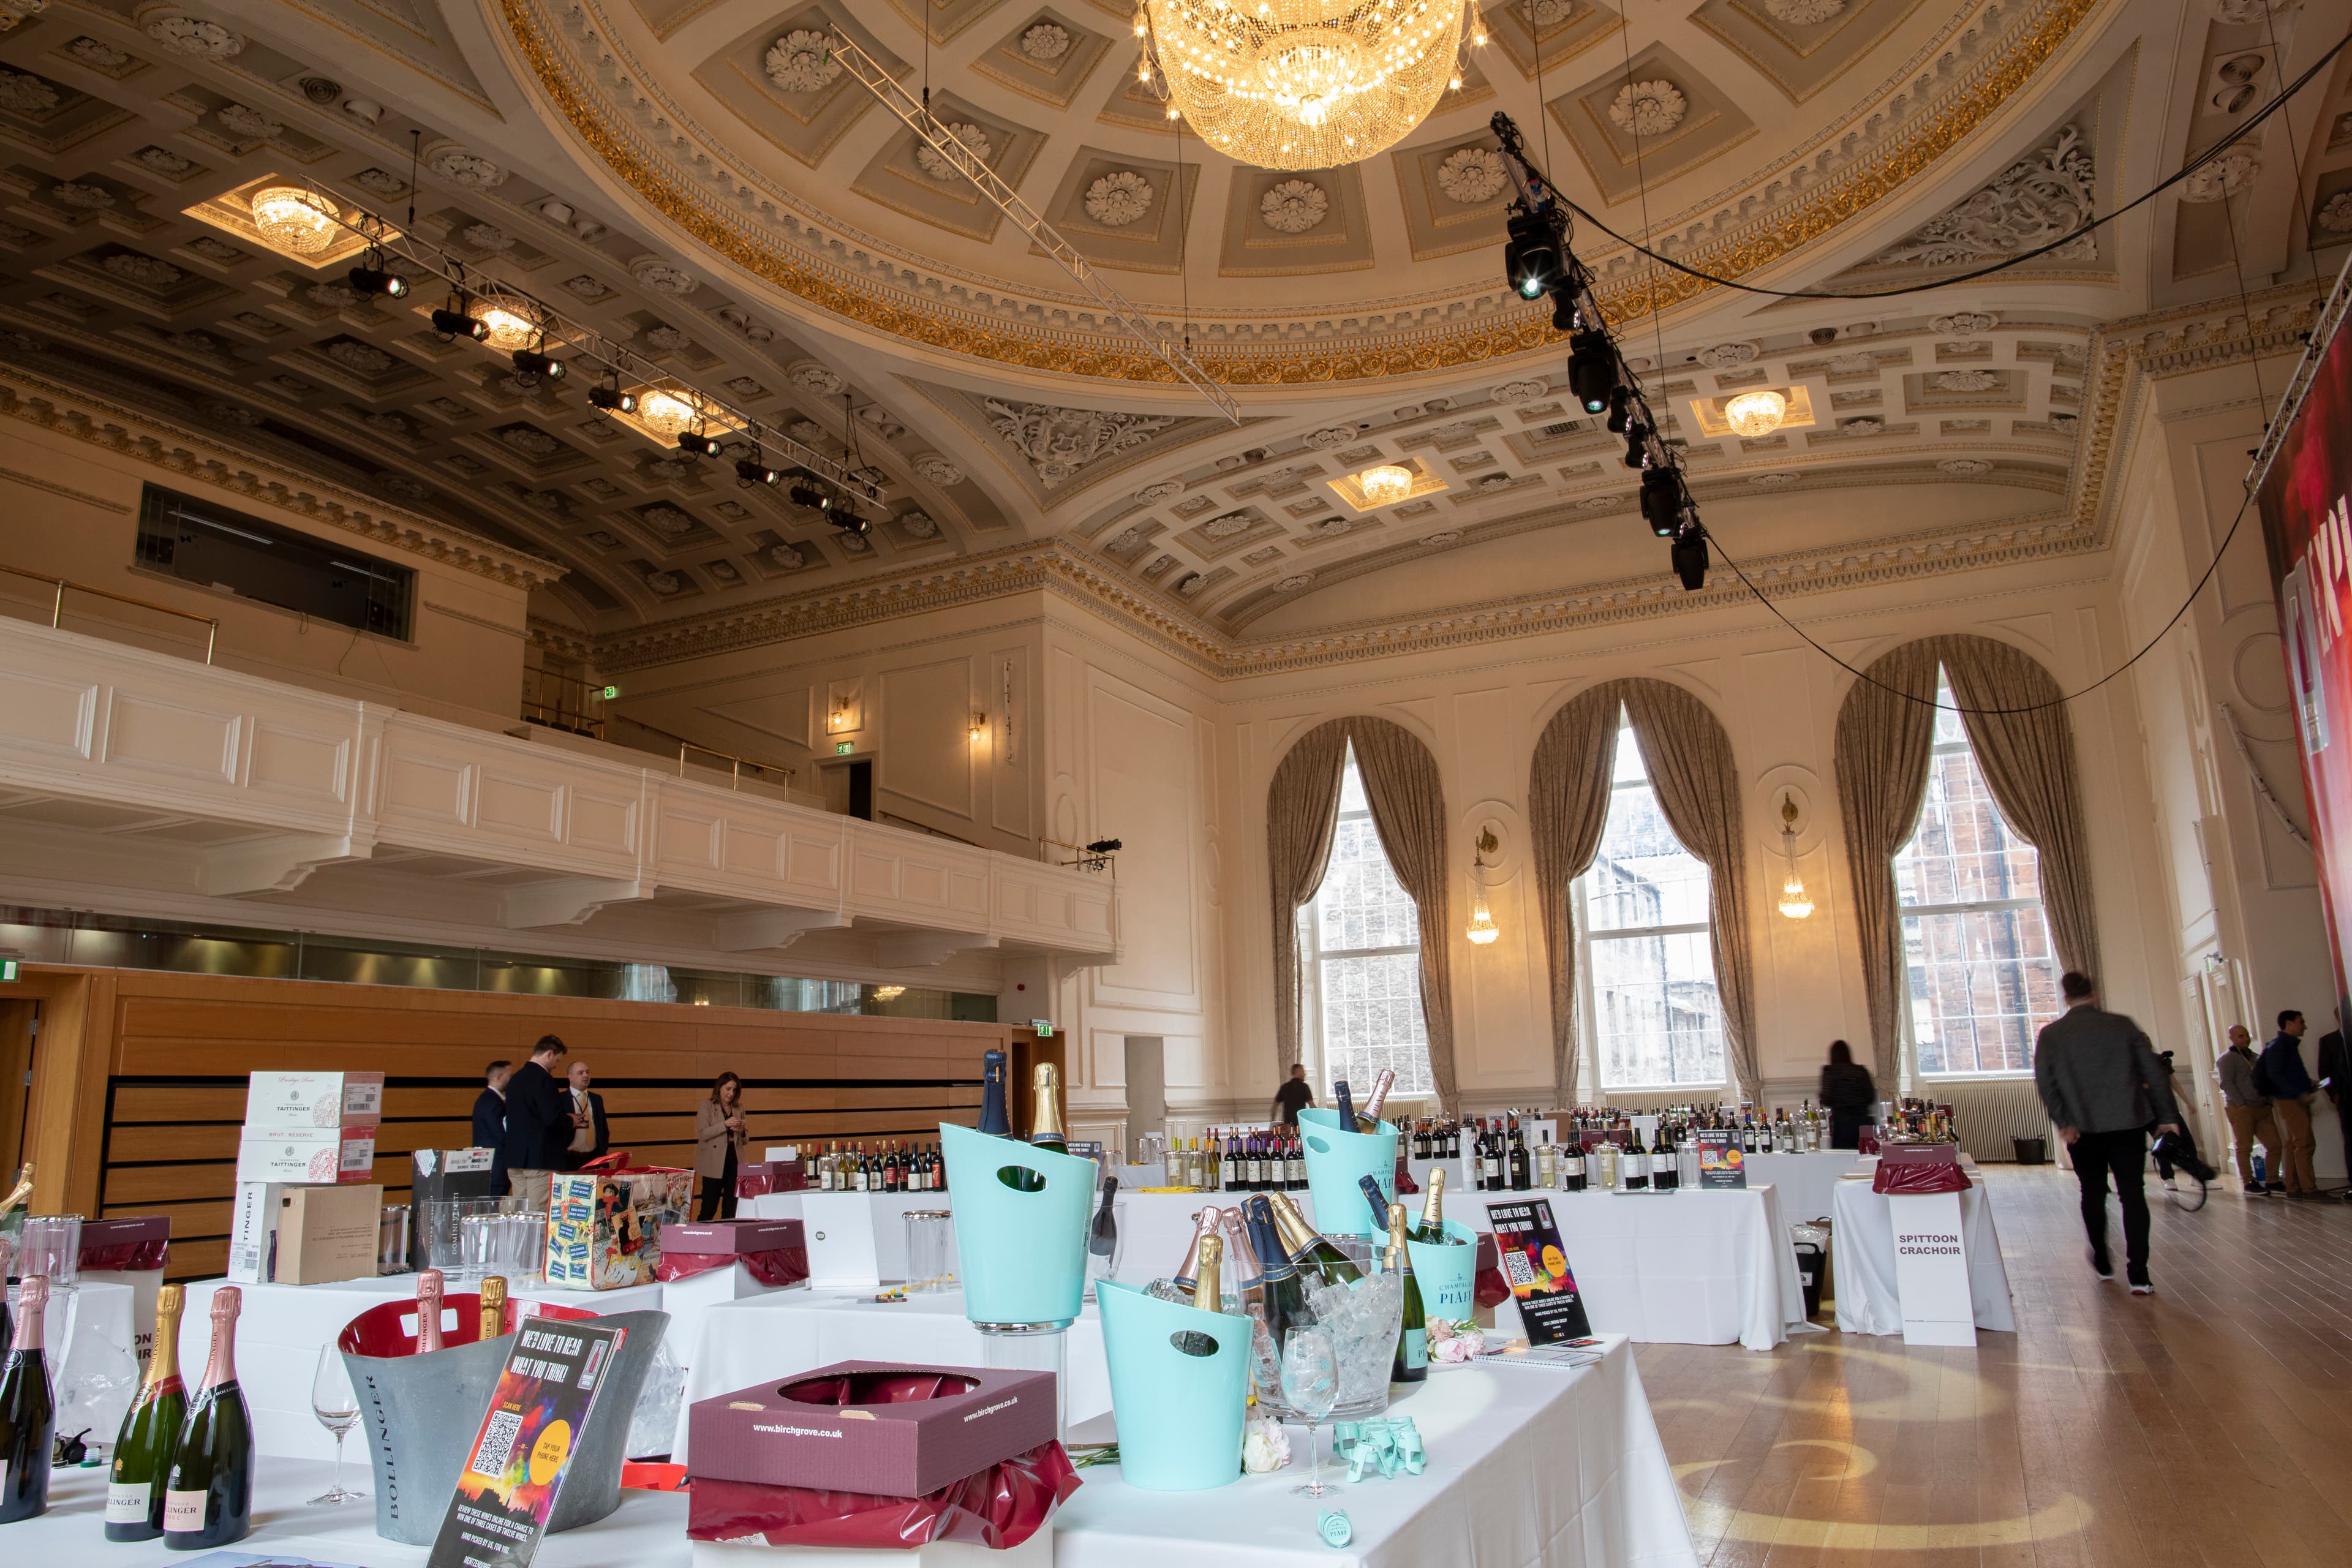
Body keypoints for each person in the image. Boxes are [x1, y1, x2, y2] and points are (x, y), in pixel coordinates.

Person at [2032, 971, 2179, 1294]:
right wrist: (2167, 1116)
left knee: (2093, 1193)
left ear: (2066, 998)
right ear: (2095, 994)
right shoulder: (2122, 1025)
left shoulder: (2053, 1035)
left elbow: (2046, 1084)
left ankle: (2102, 1260)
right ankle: (2139, 1274)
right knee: (2133, 1195)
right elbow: (2153, 1073)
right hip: (2127, 1124)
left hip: (2082, 1130)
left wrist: (2064, 1122)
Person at [497, 1035, 571, 1200]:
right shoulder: (544, 1079)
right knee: (537, 1213)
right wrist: (570, 1121)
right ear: (549, 1054)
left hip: (515, 1157)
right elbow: (552, 1119)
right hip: (539, 1159)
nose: (555, 1066)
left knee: (520, 1211)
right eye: (557, 1061)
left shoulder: (515, 1079)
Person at [2258, 1011, 2320, 1198]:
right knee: (2305, 1144)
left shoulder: (2285, 1045)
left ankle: (2294, 1187)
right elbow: (2276, 1075)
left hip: (2291, 1098)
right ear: (2289, 1023)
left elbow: (2286, 1073)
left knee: (2294, 1144)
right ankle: (2308, 1189)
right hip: (2291, 1100)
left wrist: (2306, 1083)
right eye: (2301, 1022)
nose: (2305, 1026)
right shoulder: (2282, 1046)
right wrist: (2300, 1093)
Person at [2218, 1024, 2283, 1196]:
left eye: (2246, 1035)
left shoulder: (2256, 1058)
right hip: (2241, 1108)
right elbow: (2227, 1083)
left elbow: (2267, 1080)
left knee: (2275, 1144)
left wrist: (2269, 1102)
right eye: (2240, 1036)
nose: (2245, 1039)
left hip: (2262, 1108)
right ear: (2231, 1038)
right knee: (2244, 1146)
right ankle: (2248, 1181)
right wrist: (2241, 1104)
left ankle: (2272, 1180)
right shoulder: (2227, 1059)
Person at [696, 1071, 748, 1221]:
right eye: (728, 1089)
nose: (731, 1093)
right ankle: (699, 1240)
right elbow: (704, 1133)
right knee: (709, 1208)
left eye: (734, 1090)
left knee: (731, 1208)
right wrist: (725, 1125)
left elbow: (745, 1139)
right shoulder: (707, 1106)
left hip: (735, 1162)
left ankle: (726, 1241)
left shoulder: (739, 1108)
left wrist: (741, 1131)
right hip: (714, 1163)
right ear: (719, 1088)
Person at [2317, 1009, 2352, 1199]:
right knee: (2350, 1141)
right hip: (2345, 1100)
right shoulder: (2328, 1041)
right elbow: (2324, 1074)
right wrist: (2335, 1095)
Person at [1818, 1040, 1877, 1150]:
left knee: (1843, 1160)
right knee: (1868, 1154)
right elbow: (1870, 1097)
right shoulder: (1861, 1071)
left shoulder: (1830, 1071)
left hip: (1843, 1123)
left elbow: (1827, 1099)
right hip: (1864, 1121)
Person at [562, 1060, 610, 1170]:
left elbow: (603, 1128)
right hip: (569, 1159)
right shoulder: (561, 1099)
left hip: (593, 1159)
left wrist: (603, 1149)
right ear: (570, 1077)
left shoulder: (596, 1099)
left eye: (587, 1072)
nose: (585, 1076)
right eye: (581, 1073)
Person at [470, 1060, 511, 1150]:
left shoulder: (486, 1098)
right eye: (509, 1076)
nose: (511, 1080)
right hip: (495, 1159)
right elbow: (500, 1134)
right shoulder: (493, 1102)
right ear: (500, 1077)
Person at [1271, 1063, 1316, 1128]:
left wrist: (1273, 1123)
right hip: (1300, 1124)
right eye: (1303, 1071)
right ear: (1297, 1071)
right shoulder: (1304, 1087)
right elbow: (1312, 1105)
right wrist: (1316, 1119)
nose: (1305, 1074)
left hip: (1287, 1125)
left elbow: (1274, 1107)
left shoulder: (1284, 1087)